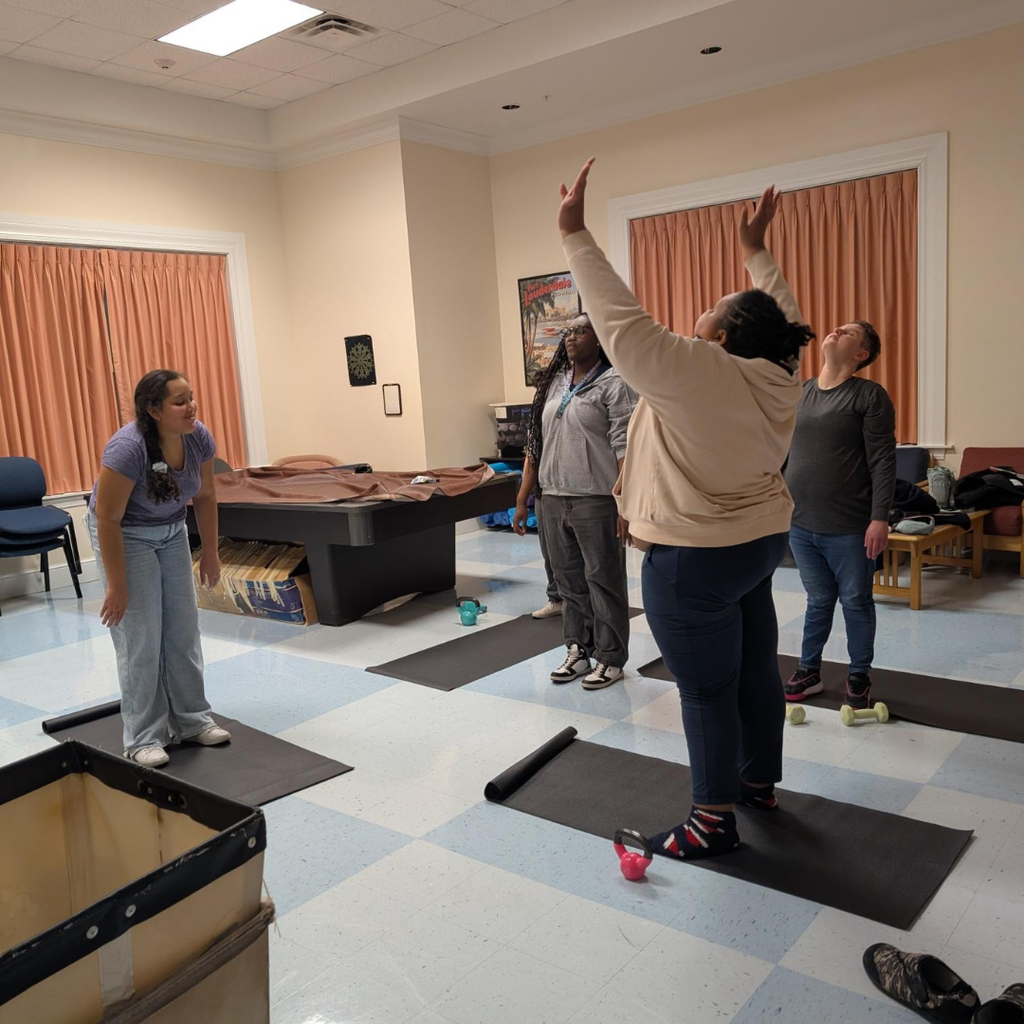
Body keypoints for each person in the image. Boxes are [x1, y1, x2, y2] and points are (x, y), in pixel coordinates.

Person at [557, 159, 814, 858]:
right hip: (757, 545)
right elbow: (787, 320)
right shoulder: (781, 371)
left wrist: (574, 234)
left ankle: (711, 823)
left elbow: (621, 322)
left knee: (705, 691)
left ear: (724, 335)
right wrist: (757, 253)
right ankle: (759, 786)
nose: (704, 312)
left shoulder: (695, 371)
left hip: (692, 561)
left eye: (718, 308)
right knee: (757, 672)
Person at [85, 369, 230, 767]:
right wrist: (117, 586)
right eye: (180, 401)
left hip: (171, 531)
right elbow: (107, 519)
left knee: (183, 628)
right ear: (154, 411)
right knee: (141, 637)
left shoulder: (198, 437)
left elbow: (206, 494)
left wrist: (212, 553)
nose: (192, 407)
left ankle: (192, 720)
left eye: (192, 397)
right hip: (126, 535)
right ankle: (143, 737)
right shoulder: (127, 449)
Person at [513, 313, 637, 689]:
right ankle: (578, 650)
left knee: (604, 581)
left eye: (581, 331)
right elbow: (536, 443)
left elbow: (625, 448)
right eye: (568, 331)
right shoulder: (553, 384)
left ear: (600, 339)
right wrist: (522, 499)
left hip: (596, 500)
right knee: (568, 585)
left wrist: (626, 503)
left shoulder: (615, 383)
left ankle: (611, 658)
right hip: (552, 498)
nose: (572, 337)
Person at [783, 322, 896, 709]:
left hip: (850, 526)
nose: (835, 330)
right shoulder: (801, 393)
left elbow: (883, 460)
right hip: (801, 524)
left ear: (860, 354)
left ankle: (859, 675)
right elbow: (783, 456)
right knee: (817, 600)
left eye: (848, 332)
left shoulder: (869, 395)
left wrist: (880, 517)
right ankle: (809, 669)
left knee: (855, 601)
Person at [531, 493, 563, 619]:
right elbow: (530, 472)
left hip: (577, 493)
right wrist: (521, 502)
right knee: (549, 551)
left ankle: (585, 601)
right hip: (543, 493)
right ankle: (556, 599)